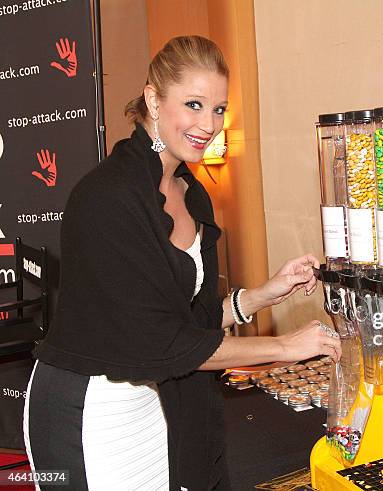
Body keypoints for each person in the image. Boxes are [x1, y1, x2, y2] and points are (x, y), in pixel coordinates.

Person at [23, 35, 340, 491]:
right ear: (153, 98)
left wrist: (264, 294)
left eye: (217, 109)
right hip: (89, 409)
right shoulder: (109, 197)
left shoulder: (193, 194)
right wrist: (285, 346)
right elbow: (163, 344)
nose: (208, 124)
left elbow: (190, 322)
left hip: (148, 403)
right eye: (193, 104)